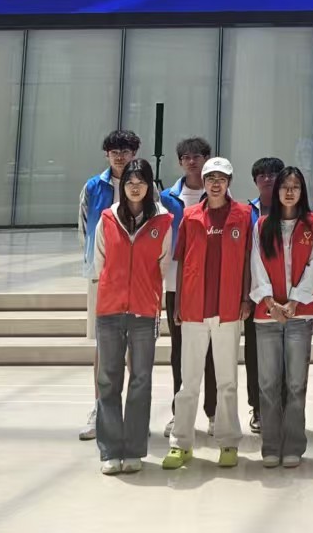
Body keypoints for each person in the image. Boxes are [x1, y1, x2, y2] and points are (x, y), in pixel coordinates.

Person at [163, 156, 252, 470]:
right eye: (211, 178)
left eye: (221, 178)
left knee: (227, 380)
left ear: (229, 183)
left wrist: (245, 299)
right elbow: (181, 261)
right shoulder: (190, 216)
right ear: (203, 181)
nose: (216, 184)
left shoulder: (243, 215)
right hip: (194, 309)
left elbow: (247, 261)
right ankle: (181, 443)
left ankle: (228, 442)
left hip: (228, 309)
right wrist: (177, 303)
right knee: (188, 381)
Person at [92, 159, 170, 474]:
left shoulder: (163, 220)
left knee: (141, 380)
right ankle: (110, 450)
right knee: (108, 379)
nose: (135, 188)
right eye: (129, 182)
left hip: (144, 311)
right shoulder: (107, 218)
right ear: (122, 186)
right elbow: (100, 262)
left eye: (141, 182)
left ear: (150, 186)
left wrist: (146, 293)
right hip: (110, 309)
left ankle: (135, 449)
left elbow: (162, 265)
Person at [249, 165, 313, 468]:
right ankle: (270, 445)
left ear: (302, 191)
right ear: (276, 191)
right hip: (267, 315)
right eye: (284, 186)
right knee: (268, 384)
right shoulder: (262, 225)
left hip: (299, 314)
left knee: (295, 383)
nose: (289, 192)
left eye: (295, 187)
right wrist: (270, 302)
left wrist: (293, 302)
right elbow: (256, 264)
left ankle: (293, 444)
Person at [79, 128, 139, 442]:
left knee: (136, 346)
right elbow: (84, 228)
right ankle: (100, 409)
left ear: (134, 154)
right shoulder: (93, 187)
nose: (119, 157)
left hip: (137, 278)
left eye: (125, 151)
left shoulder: (146, 186)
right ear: (106, 155)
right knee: (103, 347)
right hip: (103, 277)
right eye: (114, 152)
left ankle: (132, 412)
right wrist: (94, 266)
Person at [159, 137, 217, 433]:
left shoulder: (219, 194)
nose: (192, 162)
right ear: (180, 162)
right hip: (176, 284)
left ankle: (214, 413)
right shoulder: (166, 198)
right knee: (179, 350)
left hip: (212, 285)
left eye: (197, 156)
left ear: (207, 159)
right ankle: (179, 414)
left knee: (213, 352)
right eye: (186, 157)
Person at [244, 155, 286, 435]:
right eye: (263, 175)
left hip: (286, 294)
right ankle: (258, 408)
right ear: (255, 181)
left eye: (273, 174)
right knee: (254, 355)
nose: (268, 179)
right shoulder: (246, 213)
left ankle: (282, 406)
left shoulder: (293, 210)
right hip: (256, 295)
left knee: (286, 356)